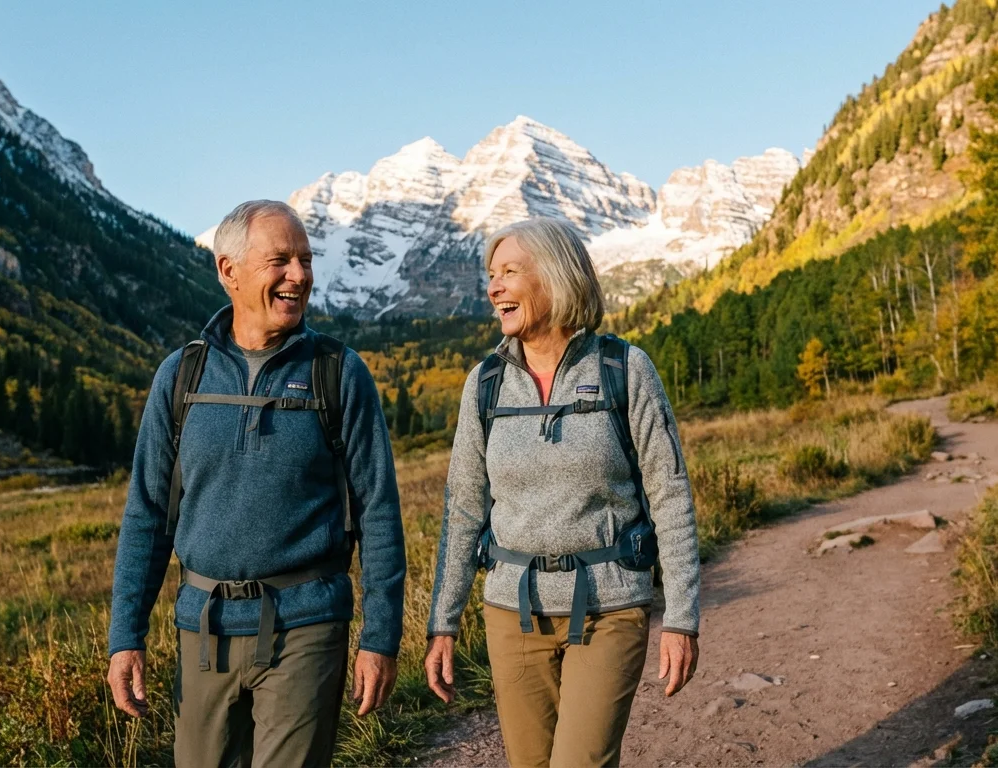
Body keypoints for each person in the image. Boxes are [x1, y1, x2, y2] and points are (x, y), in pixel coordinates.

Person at [106, 200, 406, 768]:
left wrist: (379, 637)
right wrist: (126, 636)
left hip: (307, 626)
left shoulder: (338, 373)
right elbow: (147, 515)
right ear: (229, 272)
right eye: (280, 261)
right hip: (204, 628)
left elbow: (380, 514)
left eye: (305, 260)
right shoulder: (181, 376)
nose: (299, 275)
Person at [424, 217, 701, 767]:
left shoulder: (626, 368)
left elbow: (669, 495)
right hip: (512, 611)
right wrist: (443, 622)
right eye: (491, 275)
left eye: (509, 273)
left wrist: (682, 617)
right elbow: (463, 508)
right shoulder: (485, 384)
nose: (493, 288)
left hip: (609, 607)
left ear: (556, 277)